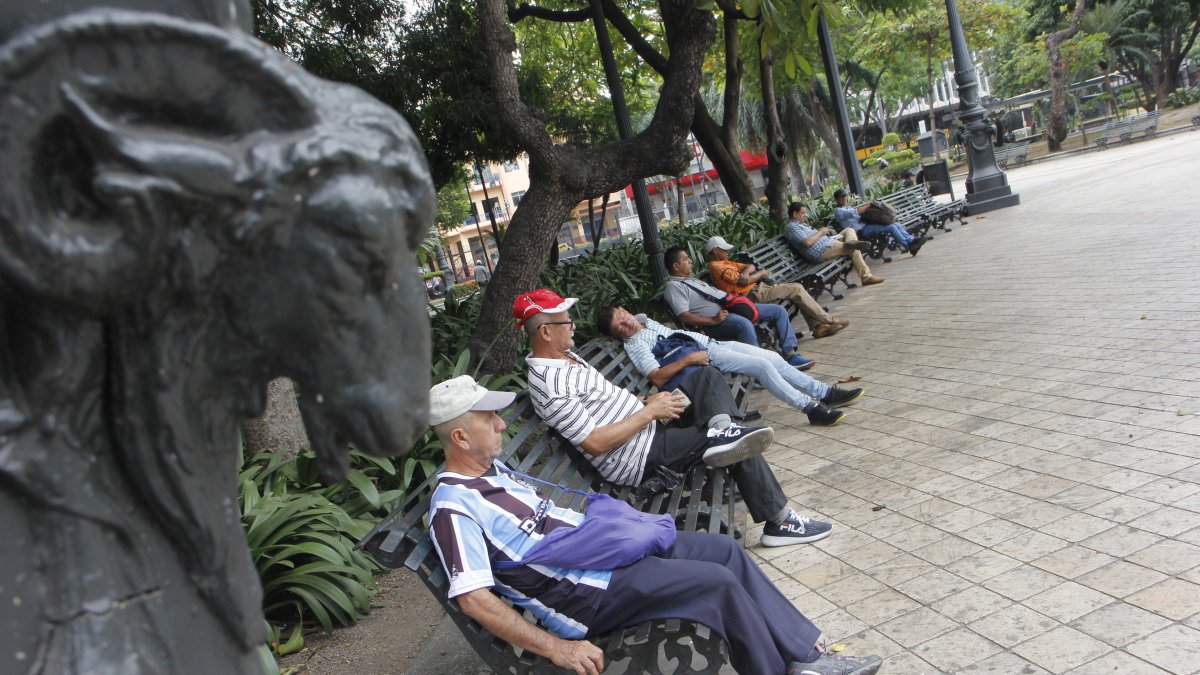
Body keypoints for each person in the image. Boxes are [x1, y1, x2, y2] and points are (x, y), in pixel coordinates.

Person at [425, 375, 884, 675]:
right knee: (716, 584)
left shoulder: (493, 472)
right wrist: (555, 649)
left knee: (724, 551)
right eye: (490, 419)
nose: (502, 424)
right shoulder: (453, 507)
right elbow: (474, 600)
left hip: (600, 560)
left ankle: (806, 657)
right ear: (461, 437)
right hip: (587, 595)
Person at [516, 288, 833, 547]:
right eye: (566, 322)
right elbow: (595, 443)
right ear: (545, 331)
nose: (573, 326)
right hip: (638, 456)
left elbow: (603, 404)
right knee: (737, 440)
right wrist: (650, 411)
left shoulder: (566, 357)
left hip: (648, 426)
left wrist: (645, 402)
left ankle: (723, 430)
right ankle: (780, 521)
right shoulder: (550, 384)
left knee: (704, 379)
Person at [598, 305, 863, 427]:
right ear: (617, 335)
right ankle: (810, 408)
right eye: (620, 326)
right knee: (761, 366)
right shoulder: (635, 345)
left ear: (626, 310)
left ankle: (823, 392)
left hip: (714, 344)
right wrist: (689, 359)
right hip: (707, 357)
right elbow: (656, 376)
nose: (627, 323)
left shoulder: (645, 320)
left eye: (624, 316)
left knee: (772, 357)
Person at [663, 246, 815, 369]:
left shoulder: (690, 280)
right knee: (744, 324)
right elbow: (684, 315)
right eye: (685, 259)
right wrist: (712, 320)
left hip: (731, 308)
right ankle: (760, 368)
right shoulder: (674, 287)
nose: (690, 261)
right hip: (716, 322)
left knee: (778, 311)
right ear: (676, 266)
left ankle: (790, 354)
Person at [704, 235, 848, 339]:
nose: (728, 252)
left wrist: (748, 272)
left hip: (758, 289)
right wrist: (760, 273)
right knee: (796, 289)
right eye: (724, 249)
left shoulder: (726, 262)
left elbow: (750, 266)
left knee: (797, 288)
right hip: (751, 296)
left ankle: (818, 327)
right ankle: (829, 320)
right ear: (715, 250)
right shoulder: (717, 267)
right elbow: (743, 282)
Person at [783, 202, 885, 286]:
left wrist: (823, 233)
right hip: (821, 251)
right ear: (795, 214)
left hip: (828, 243)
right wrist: (820, 232)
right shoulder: (792, 228)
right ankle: (866, 277)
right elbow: (808, 242)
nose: (805, 215)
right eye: (802, 213)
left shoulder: (800, 224)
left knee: (848, 230)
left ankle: (851, 243)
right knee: (854, 249)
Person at [833, 189, 926, 257]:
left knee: (895, 224)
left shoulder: (847, 207)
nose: (843, 199)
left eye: (844, 197)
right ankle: (909, 246)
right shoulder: (838, 211)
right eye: (840, 198)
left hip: (867, 225)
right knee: (891, 227)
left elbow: (858, 213)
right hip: (860, 231)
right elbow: (856, 212)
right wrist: (869, 205)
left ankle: (911, 241)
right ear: (836, 200)